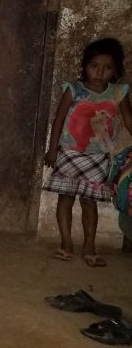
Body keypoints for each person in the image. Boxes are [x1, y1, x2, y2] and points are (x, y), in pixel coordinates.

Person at [44, 37, 132, 267]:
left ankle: (89, 246)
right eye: (94, 66)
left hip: (98, 157)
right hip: (69, 153)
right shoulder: (74, 90)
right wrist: (52, 150)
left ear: (115, 70)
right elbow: (59, 119)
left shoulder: (118, 92)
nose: (100, 73)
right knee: (65, 199)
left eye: (107, 68)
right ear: (84, 66)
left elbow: (128, 120)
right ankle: (66, 244)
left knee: (89, 203)